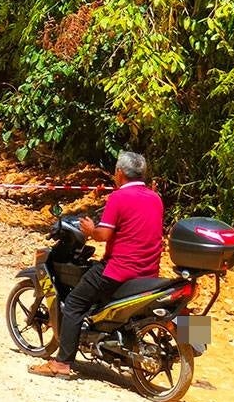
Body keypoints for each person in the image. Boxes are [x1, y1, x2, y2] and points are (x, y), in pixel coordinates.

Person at [28, 151, 164, 380]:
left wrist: (91, 230)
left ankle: (62, 364)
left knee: (74, 303)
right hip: (148, 272)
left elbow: (103, 235)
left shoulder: (119, 197)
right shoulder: (155, 198)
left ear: (119, 173)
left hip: (119, 270)